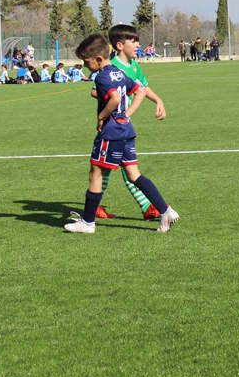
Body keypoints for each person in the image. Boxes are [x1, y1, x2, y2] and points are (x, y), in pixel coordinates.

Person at [63, 33, 179, 234]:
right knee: (135, 175)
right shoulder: (118, 73)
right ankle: (166, 211)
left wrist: (102, 116)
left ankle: (88, 223)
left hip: (111, 133)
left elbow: (115, 98)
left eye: (86, 62)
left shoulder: (101, 77)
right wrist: (126, 115)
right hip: (127, 131)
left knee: (96, 173)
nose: (84, 66)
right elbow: (140, 91)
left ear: (98, 59)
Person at [94, 24, 170, 221]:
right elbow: (96, 90)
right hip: (113, 126)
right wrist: (116, 106)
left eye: (137, 40)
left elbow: (143, 88)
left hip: (122, 125)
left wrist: (158, 100)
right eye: (133, 41)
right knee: (117, 168)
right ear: (119, 45)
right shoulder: (112, 67)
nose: (138, 44)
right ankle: (148, 206)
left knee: (117, 167)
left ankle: (145, 206)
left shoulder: (134, 66)